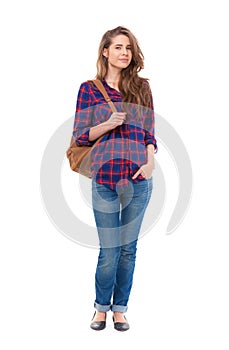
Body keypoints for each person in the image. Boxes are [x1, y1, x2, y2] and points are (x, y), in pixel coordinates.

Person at [72, 26, 158, 331]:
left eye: (128, 48)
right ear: (105, 51)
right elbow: (80, 136)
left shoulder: (141, 87)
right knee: (108, 250)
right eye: (118, 47)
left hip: (138, 179)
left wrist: (150, 162)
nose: (124, 53)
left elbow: (149, 130)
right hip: (105, 180)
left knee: (128, 249)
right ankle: (100, 309)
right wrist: (107, 123)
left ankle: (120, 309)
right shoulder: (89, 89)